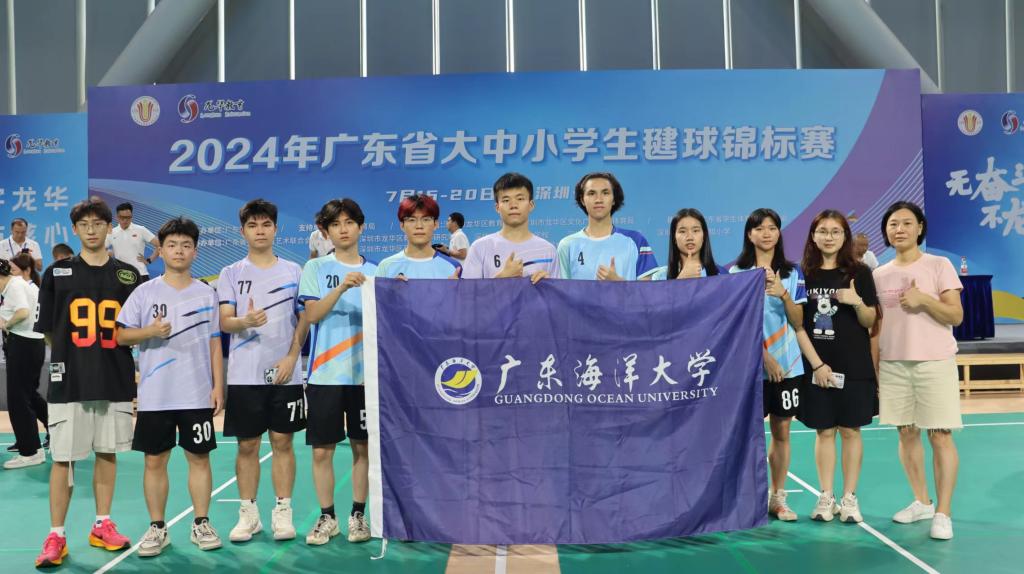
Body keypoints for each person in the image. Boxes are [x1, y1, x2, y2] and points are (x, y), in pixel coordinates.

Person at [33, 198, 140, 568]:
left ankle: (102, 524)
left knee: (107, 453)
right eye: (84, 224)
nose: (91, 230)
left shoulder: (128, 275)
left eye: (98, 223)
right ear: (74, 229)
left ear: (110, 228)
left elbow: (134, 329)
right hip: (70, 380)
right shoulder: (57, 273)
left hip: (114, 377)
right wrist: (71, 358)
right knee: (63, 458)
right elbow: (49, 331)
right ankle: (56, 535)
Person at [115, 217, 225, 556]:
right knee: (154, 462)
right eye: (172, 245)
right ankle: (157, 527)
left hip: (196, 393)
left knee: (199, 459)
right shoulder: (144, 292)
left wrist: (218, 386)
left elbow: (215, 343)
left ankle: (201, 523)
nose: (179, 251)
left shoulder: (206, 293)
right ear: (160, 251)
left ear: (195, 251)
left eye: (186, 245)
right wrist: (150, 331)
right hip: (156, 395)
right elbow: (120, 335)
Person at [872, 201, 963, 540]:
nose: (899, 229)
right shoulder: (878, 275)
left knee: (940, 435)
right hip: (894, 364)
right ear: (886, 231)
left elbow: (956, 316)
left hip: (934, 362)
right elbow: (877, 327)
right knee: (906, 433)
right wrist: (876, 369)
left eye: (907, 223)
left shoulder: (939, 265)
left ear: (920, 228)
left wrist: (924, 300)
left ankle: (944, 512)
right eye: (893, 224)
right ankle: (922, 502)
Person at [218, 199, 307, 543]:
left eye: (266, 224)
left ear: (275, 229)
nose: (260, 231)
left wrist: (291, 358)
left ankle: (283, 512)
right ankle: (248, 515)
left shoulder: (294, 271)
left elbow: (304, 322)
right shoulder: (230, 273)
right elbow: (225, 322)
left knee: (283, 442)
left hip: (285, 372)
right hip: (245, 375)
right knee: (247, 445)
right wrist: (246, 321)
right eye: (253, 225)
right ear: (243, 232)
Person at [300, 198, 378, 545]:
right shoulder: (315, 268)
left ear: (361, 227)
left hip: (365, 378)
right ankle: (327, 517)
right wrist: (343, 286)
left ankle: (358, 515)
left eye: (349, 223)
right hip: (325, 375)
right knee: (322, 451)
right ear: (326, 232)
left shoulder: (377, 271)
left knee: (363, 448)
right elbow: (312, 315)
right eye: (335, 224)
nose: (343, 229)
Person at [795, 210, 879, 524]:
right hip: (816, 367)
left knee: (850, 430)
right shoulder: (803, 274)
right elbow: (797, 323)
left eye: (835, 231)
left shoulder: (859, 272)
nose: (828, 237)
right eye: (822, 231)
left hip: (853, 364)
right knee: (824, 431)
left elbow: (870, 321)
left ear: (845, 236)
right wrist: (816, 365)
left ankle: (849, 498)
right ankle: (826, 496)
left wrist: (856, 301)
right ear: (813, 236)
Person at [730, 208, 807, 522]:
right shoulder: (736, 273)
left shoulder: (792, 272)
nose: (766, 233)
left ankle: (778, 496)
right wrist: (763, 357)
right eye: (759, 228)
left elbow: (799, 321)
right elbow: (736, 323)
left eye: (772, 227)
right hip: (748, 366)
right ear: (749, 234)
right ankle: (748, 497)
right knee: (748, 434)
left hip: (788, 366)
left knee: (782, 430)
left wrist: (783, 294)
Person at [557, 172, 657, 281]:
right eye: (591, 193)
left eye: (605, 193)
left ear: (613, 199)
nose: (598, 199)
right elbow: (562, 289)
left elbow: (647, 290)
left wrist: (618, 283)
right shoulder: (567, 245)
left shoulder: (636, 241)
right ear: (582, 200)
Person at [462, 173, 557, 282]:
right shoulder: (480, 247)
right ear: (497, 207)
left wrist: (548, 286)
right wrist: (502, 278)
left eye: (520, 199)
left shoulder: (548, 250)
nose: (513, 205)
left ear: (531, 205)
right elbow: (468, 291)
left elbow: (558, 292)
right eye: (506, 200)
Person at [1, 255, 47, 469]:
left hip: (23, 343)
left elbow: (22, 312)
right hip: (32, 343)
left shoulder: (14, 287)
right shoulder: (21, 285)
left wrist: (6, 325)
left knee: (18, 400)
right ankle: (50, 436)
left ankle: (30, 452)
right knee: (28, 396)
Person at [377, 195, 461, 279]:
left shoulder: (453, 268)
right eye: (412, 220)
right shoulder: (386, 266)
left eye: (426, 219)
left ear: (436, 224)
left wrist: (454, 287)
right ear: (402, 225)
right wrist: (390, 286)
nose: (419, 226)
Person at [644, 208, 721, 280]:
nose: (690, 237)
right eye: (682, 231)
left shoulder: (720, 274)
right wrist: (682, 278)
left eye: (695, 231)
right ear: (674, 238)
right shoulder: (660, 277)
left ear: (704, 236)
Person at [106, 202, 160, 281]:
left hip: (140, 274)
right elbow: (99, 250)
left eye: (128, 217)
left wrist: (149, 260)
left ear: (131, 217)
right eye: (122, 217)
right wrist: (108, 254)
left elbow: (159, 245)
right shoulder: (112, 232)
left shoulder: (141, 230)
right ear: (117, 217)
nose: (125, 220)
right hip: (120, 276)